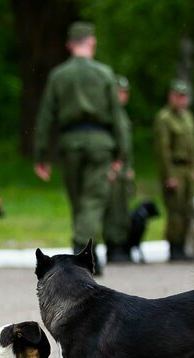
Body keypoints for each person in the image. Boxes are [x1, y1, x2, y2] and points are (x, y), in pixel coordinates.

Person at [33, 21, 126, 271]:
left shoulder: (58, 75)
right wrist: (122, 152)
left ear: (68, 45)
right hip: (101, 143)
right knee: (93, 200)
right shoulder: (104, 73)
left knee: (79, 201)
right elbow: (118, 117)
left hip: (70, 144)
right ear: (92, 43)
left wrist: (40, 155)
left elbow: (45, 117)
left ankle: (86, 252)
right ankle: (82, 250)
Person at [154, 79, 194, 262]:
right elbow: (162, 150)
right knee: (175, 210)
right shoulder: (164, 118)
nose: (182, 100)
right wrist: (169, 175)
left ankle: (183, 245)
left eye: (185, 97)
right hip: (174, 167)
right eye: (178, 96)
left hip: (187, 169)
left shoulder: (188, 117)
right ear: (171, 96)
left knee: (188, 208)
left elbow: (193, 146)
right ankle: (175, 247)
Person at [103, 75, 136, 263]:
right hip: (114, 166)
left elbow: (126, 144)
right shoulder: (108, 114)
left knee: (122, 207)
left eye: (125, 92)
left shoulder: (121, 114)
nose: (122, 95)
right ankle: (113, 246)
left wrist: (129, 167)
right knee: (113, 208)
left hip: (124, 167)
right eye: (119, 92)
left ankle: (121, 244)